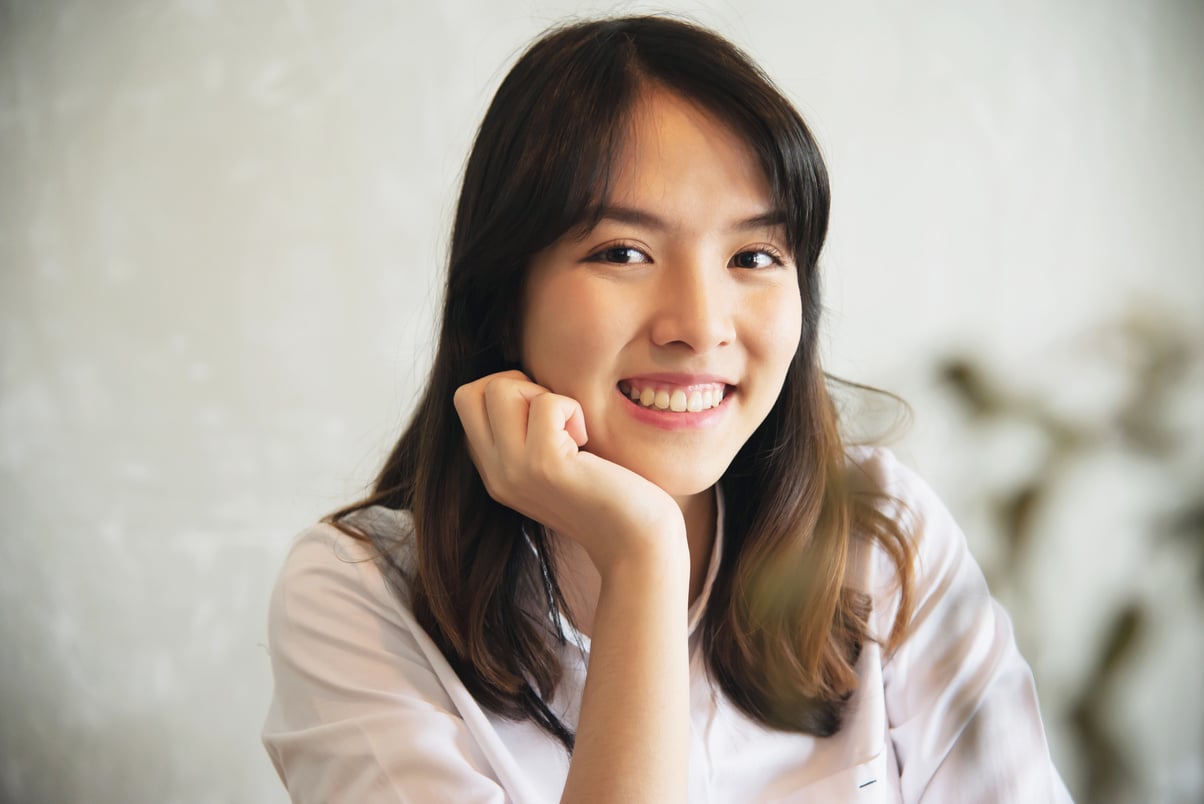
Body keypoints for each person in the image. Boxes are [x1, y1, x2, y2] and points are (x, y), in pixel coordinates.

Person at [262, 15, 1071, 803]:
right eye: (624, 253)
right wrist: (641, 556)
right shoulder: (358, 596)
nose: (698, 326)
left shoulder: (882, 537)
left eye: (754, 256)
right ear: (503, 298)